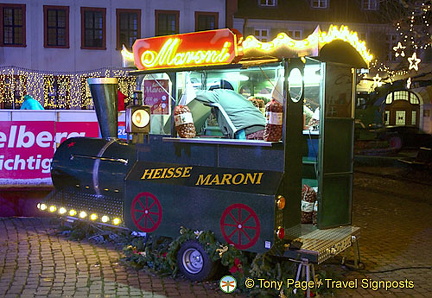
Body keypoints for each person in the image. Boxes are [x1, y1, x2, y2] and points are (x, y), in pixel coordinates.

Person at [194, 81, 265, 139]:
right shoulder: (239, 96)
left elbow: (194, 94)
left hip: (247, 132)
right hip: (264, 129)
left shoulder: (218, 94)